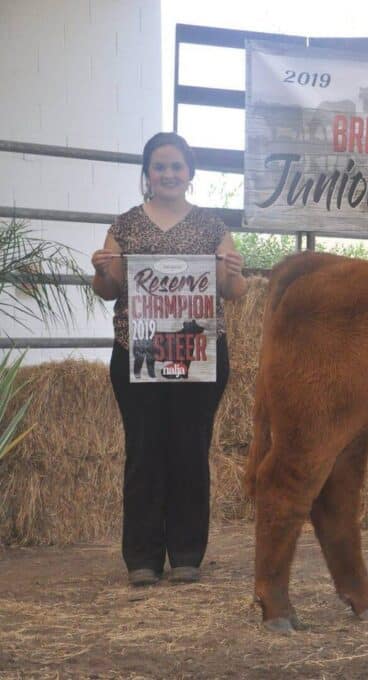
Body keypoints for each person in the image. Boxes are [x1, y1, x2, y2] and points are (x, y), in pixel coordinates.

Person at [91, 132, 248, 587]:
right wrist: (102, 269)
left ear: (190, 173)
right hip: (137, 353)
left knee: (190, 451)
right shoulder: (122, 226)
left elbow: (233, 293)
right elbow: (108, 291)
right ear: (147, 173)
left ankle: (186, 555)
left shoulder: (214, 227)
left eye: (176, 167)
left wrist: (233, 272)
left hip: (199, 354)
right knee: (144, 452)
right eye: (159, 167)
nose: (168, 174)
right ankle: (141, 557)